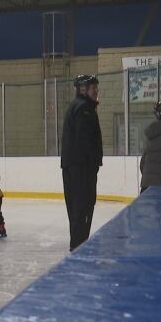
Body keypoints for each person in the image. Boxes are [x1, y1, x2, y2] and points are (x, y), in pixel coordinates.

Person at [60, 74, 103, 251]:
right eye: (93, 87)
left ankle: (77, 245)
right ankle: (79, 247)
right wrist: (92, 164)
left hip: (75, 167)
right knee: (82, 208)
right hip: (81, 169)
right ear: (83, 89)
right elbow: (84, 141)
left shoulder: (78, 107)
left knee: (77, 209)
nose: (96, 91)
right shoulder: (84, 109)